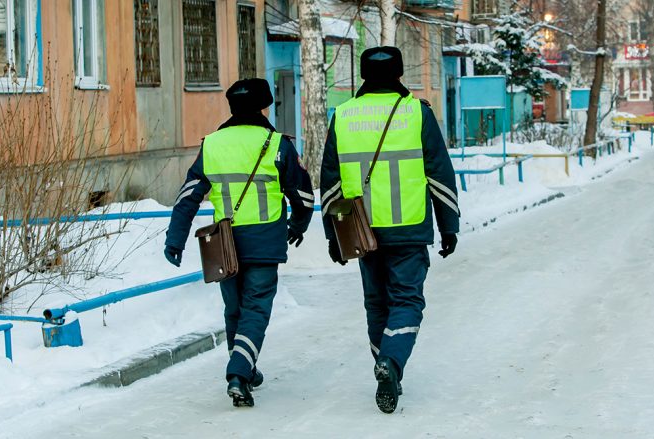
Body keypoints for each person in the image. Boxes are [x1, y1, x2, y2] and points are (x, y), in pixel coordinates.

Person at [319, 46, 460, 414]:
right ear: (399, 73)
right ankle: (392, 363)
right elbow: (439, 173)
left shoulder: (344, 115)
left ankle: (385, 365)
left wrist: (332, 235)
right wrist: (449, 225)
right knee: (407, 301)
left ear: (364, 74)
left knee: (377, 303)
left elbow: (330, 184)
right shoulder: (416, 113)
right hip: (408, 228)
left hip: (361, 230)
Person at [164, 78, 314, 408]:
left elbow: (189, 195)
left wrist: (175, 238)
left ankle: (245, 367)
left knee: (235, 310)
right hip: (263, 243)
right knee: (256, 309)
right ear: (265, 106)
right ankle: (239, 371)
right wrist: (299, 224)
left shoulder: (213, 145)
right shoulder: (277, 144)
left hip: (225, 244)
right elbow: (302, 194)